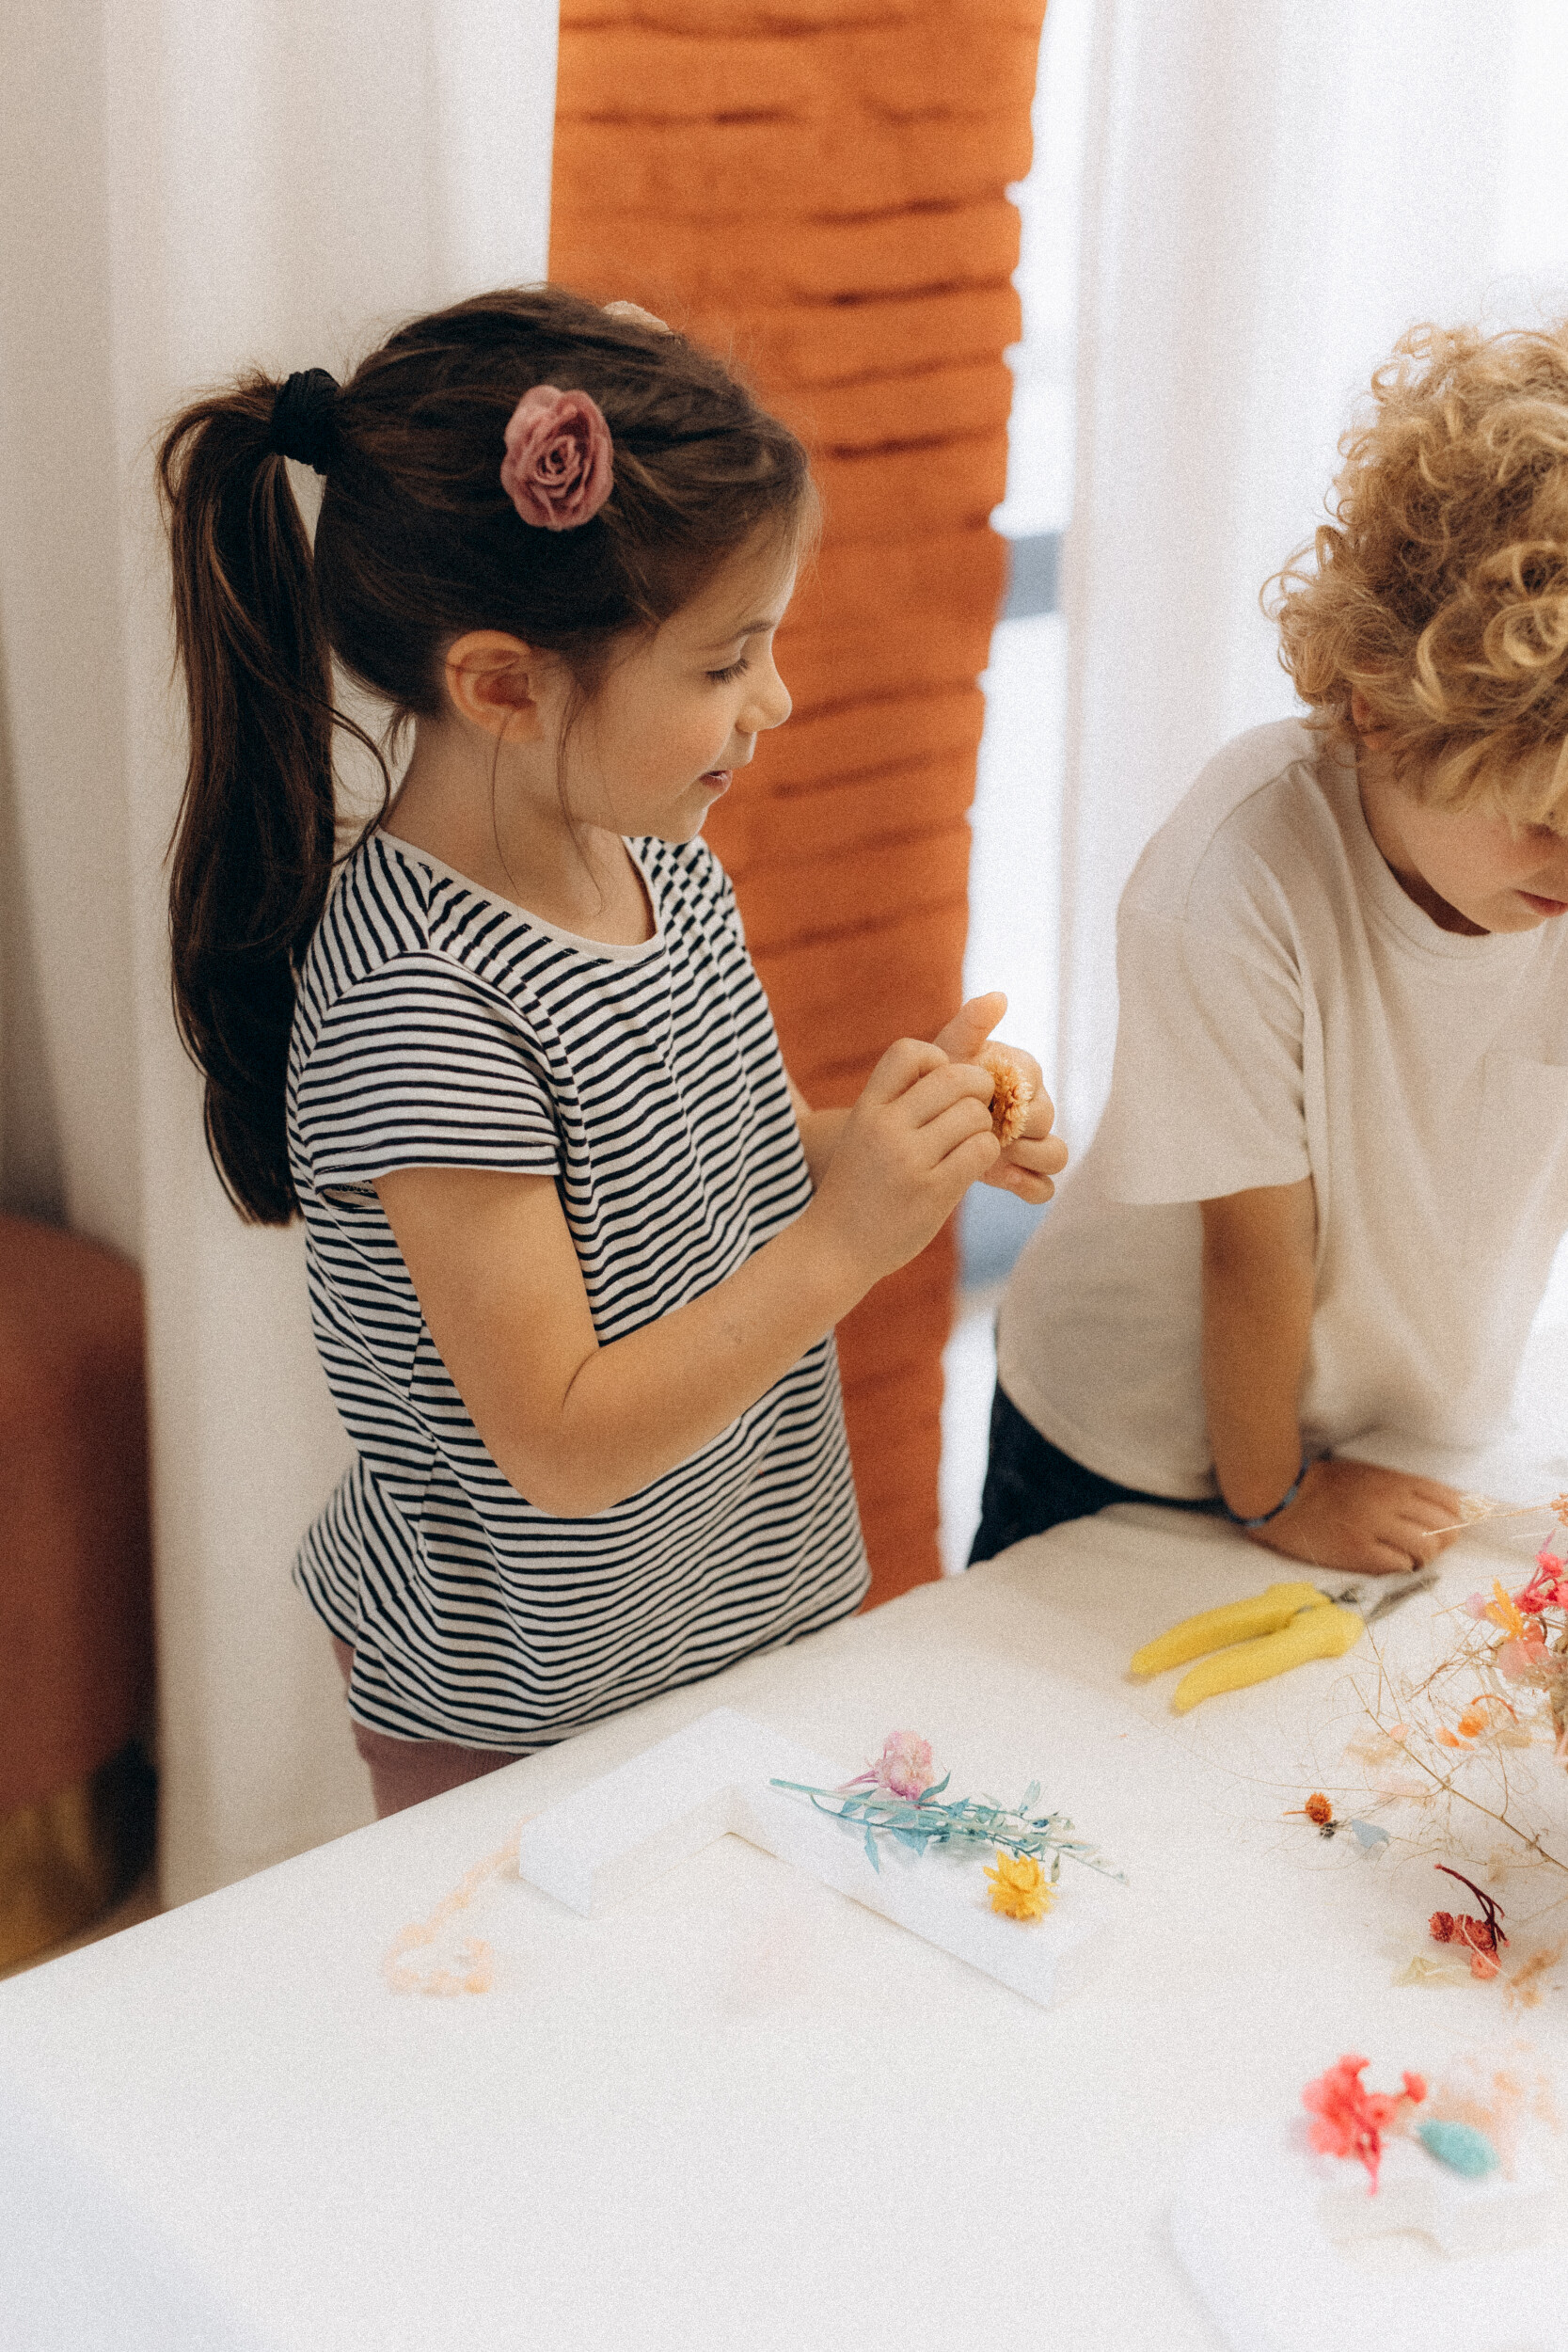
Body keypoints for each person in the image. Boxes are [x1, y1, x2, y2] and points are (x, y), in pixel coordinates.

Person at [158, 286, 1066, 1817]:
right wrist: (852, 1243)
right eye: (724, 666)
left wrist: (914, 1133)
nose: (771, 702)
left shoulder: (662, 866)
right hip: (521, 1710)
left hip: (728, 1622)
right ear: (503, 685)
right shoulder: (419, 1007)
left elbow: (726, 1153)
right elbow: (562, 1443)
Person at [973, 320, 1568, 1578]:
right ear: (1379, 707)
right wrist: (1275, 1490)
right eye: (1542, 823)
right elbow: (1253, 1253)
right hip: (1141, 1430)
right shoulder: (1231, 883)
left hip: (1384, 1419)